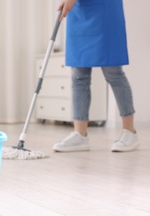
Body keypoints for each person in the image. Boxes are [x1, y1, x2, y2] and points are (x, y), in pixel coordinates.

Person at [53, 0, 139, 152]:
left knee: (113, 73)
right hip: (79, 12)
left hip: (105, 10)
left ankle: (130, 132)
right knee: (79, 77)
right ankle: (80, 134)